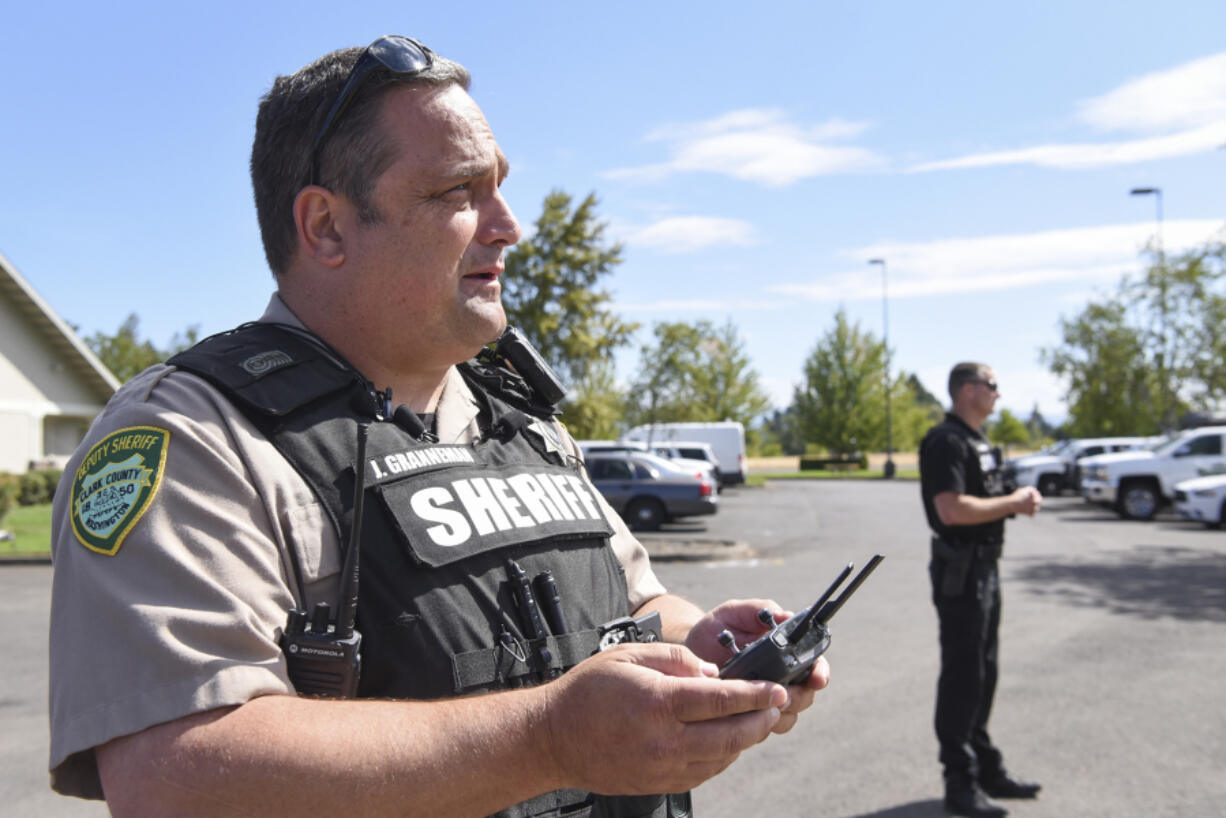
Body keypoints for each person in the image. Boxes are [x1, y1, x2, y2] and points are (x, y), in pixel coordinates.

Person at [47, 35, 829, 817]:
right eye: (458, 191)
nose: (508, 225)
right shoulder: (194, 436)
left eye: (500, 187)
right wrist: (547, 742)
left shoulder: (518, 419)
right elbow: (170, 775)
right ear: (326, 227)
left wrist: (707, 652)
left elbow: (634, 603)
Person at [918, 363, 1043, 818]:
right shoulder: (945, 442)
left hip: (985, 569)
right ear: (967, 390)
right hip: (961, 573)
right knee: (963, 674)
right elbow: (950, 510)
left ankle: (985, 768)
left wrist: (1012, 494)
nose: (998, 394)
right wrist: (1014, 503)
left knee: (984, 672)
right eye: (992, 386)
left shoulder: (978, 442)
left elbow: (984, 493)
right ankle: (960, 784)